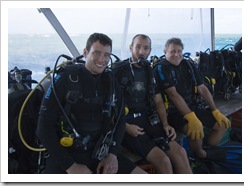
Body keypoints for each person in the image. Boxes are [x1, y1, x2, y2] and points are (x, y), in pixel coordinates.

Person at [36, 33, 147, 174]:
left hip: (100, 152)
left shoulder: (111, 82)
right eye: (96, 53)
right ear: (85, 52)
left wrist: (112, 154)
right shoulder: (65, 79)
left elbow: (120, 121)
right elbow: (43, 128)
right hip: (67, 155)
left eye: (107, 55)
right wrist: (71, 166)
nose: (102, 59)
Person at [112, 34, 192, 174]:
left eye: (146, 48)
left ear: (150, 51)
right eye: (138, 47)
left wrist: (166, 124)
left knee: (180, 152)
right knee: (164, 161)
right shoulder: (118, 70)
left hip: (149, 119)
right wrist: (126, 126)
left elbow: (159, 101)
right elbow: (108, 106)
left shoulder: (150, 70)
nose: (142, 51)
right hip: (128, 124)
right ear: (131, 48)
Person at [154, 37, 231, 160]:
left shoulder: (188, 64)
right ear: (165, 52)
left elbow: (202, 88)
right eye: (172, 51)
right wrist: (191, 117)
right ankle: (200, 154)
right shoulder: (161, 67)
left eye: (179, 51)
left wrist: (215, 110)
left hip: (192, 107)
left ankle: (204, 149)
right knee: (196, 130)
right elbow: (172, 94)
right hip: (173, 113)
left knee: (222, 125)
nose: (176, 55)